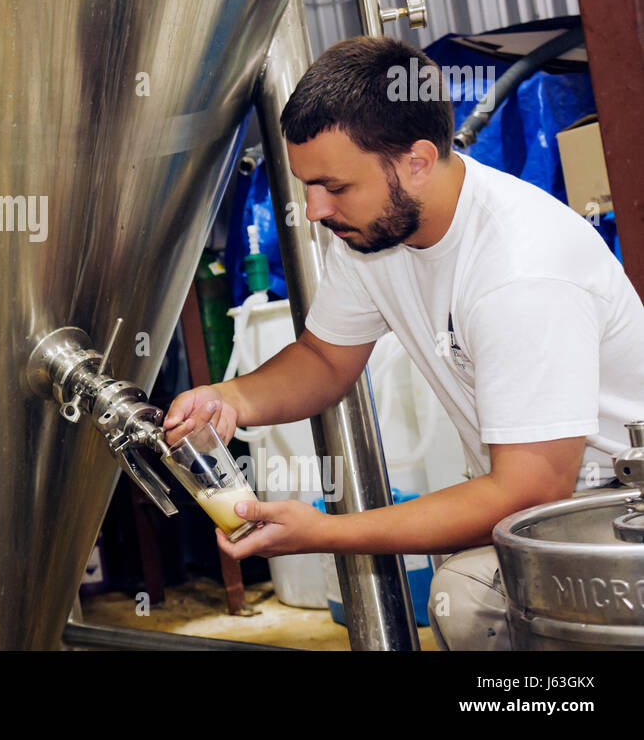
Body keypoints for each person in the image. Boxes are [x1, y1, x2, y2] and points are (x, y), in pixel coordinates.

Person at [163, 35, 644, 649]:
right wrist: (228, 398)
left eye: (334, 186)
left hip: (616, 513)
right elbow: (323, 359)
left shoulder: (519, 269)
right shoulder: (375, 235)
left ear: (416, 161)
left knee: (465, 596)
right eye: (307, 184)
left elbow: (531, 488)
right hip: (546, 504)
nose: (314, 210)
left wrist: (323, 531)